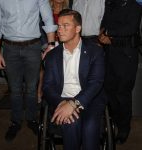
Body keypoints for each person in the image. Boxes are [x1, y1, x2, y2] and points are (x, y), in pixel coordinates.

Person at [0, 0, 57, 142]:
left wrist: (51, 45)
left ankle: (31, 119)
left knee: (32, 88)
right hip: (9, 48)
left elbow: (47, 17)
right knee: (14, 90)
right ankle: (16, 121)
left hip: (33, 47)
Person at [43, 9, 105, 150]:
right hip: (62, 100)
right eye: (58, 26)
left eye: (66, 26)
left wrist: (74, 103)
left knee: (90, 128)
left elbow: (95, 83)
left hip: (89, 100)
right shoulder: (52, 55)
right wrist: (62, 103)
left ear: (78, 28)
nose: (60, 30)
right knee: (71, 123)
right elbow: (47, 87)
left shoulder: (95, 52)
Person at [99, 0, 142, 144]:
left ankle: (124, 128)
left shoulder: (134, 6)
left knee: (122, 93)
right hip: (110, 54)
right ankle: (115, 121)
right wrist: (102, 33)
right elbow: (104, 23)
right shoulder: (110, 4)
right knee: (109, 90)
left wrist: (109, 34)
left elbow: (130, 29)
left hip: (126, 56)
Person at [37, 0, 69, 104]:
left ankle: (60, 92)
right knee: (43, 68)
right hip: (47, 43)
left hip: (63, 43)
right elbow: (41, 30)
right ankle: (40, 91)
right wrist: (45, 46)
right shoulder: (45, 10)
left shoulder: (68, 11)